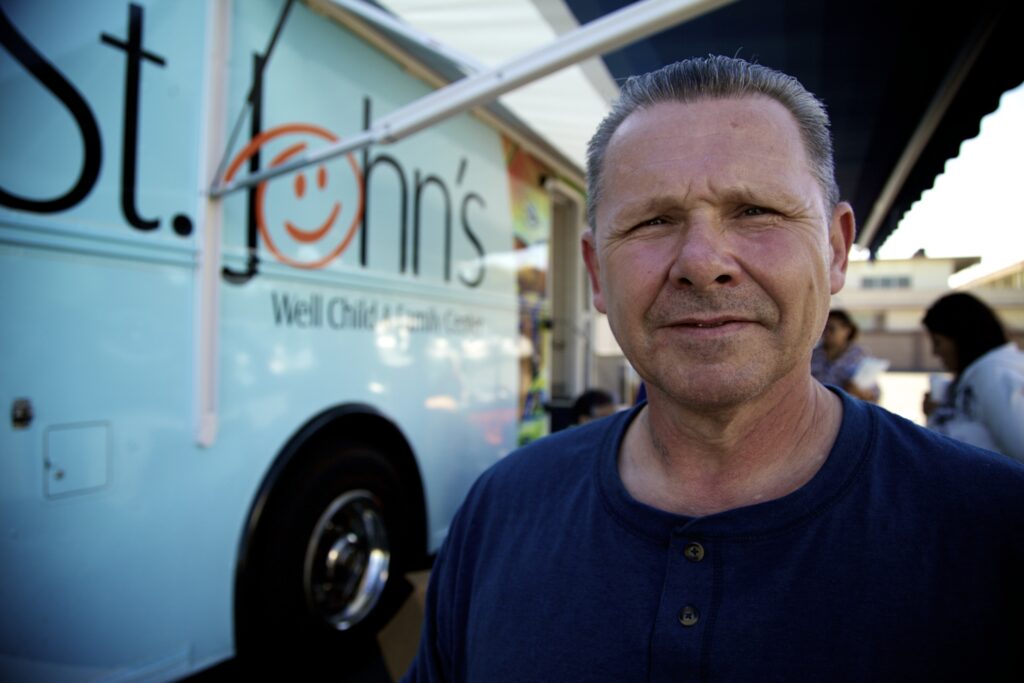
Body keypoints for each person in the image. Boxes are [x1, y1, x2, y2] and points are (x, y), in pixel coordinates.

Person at [403, 56, 1024, 681]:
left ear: (835, 250)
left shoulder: (995, 530)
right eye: (654, 221)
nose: (702, 262)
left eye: (756, 211)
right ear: (596, 272)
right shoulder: (499, 512)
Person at [922, 291, 1024, 461]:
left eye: (938, 342)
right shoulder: (978, 376)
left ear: (961, 338)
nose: (935, 352)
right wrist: (935, 413)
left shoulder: (992, 376)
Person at [811, 309, 880, 401]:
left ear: (846, 330)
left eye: (831, 329)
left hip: (848, 409)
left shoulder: (860, 356)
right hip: (818, 408)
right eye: (824, 328)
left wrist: (860, 392)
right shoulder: (812, 355)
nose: (826, 333)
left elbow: (873, 394)